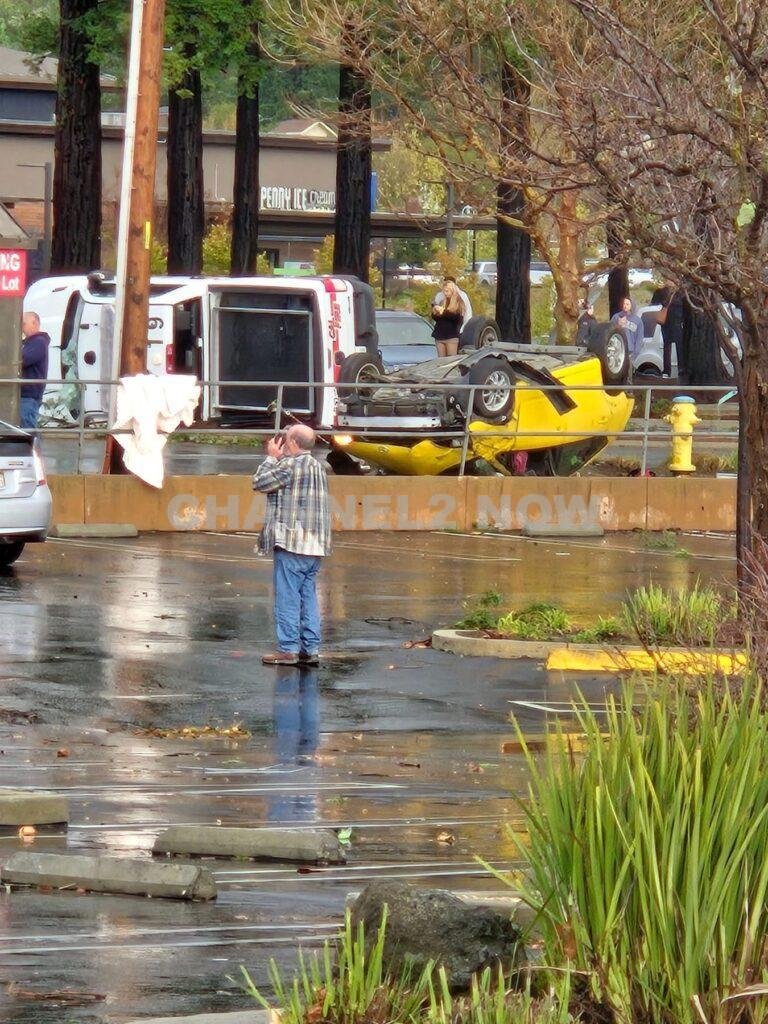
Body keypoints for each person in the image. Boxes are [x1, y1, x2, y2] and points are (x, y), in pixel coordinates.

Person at [252, 423, 331, 666]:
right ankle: (311, 648)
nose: (283, 444)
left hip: (293, 542)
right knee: (308, 596)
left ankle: (287, 649)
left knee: (287, 596)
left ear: (294, 443)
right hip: (315, 544)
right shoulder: (318, 467)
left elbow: (259, 483)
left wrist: (270, 458)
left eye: (286, 440)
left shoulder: (288, 465)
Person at [20, 312, 50, 430]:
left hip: (29, 394)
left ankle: (32, 447)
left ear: (34, 323)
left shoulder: (38, 342)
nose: (21, 327)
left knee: (27, 427)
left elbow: (23, 359)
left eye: (23, 324)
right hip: (27, 394)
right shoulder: (30, 343)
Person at [651, 282, 684, 378]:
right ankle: (667, 370)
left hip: (677, 322)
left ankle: (680, 369)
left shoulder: (680, 292)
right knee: (667, 346)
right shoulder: (662, 292)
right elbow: (654, 304)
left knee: (679, 346)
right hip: (667, 323)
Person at [430, 279, 466, 357]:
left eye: (447, 291)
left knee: (451, 361)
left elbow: (458, 320)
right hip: (439, 335)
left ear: (452, 291)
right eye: (444, 291)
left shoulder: (459, 302)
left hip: (451, 336)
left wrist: (444, 312)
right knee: (441, 361)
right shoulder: (443, 301)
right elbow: (438, 319)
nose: (445, 294)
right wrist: (435, 312)